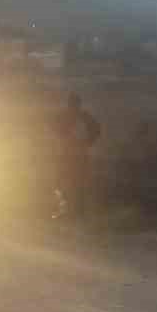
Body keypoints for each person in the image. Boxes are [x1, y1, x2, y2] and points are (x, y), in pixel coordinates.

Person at [51, 92, 102, 220]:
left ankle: (71, 211)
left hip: (71, 154)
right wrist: (89, 141)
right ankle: (76, 211)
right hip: (76, 154)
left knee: (69, 182)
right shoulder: (81, 117)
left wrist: (88, 141)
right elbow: (97, 129)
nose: (74, 107)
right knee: (75, 183)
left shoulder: (71, 117)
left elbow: (53, 128)